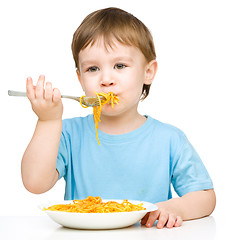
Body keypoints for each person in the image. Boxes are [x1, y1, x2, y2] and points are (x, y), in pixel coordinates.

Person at [21, 7, 216, 229]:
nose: (106, 80)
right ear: (80, 78)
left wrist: (175, 208)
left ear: (148, 72)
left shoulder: (169, 139)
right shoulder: (67, 133)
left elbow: (205, 197)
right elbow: (34, 183)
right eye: (93, 68)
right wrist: (47, 121)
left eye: (120, 66)